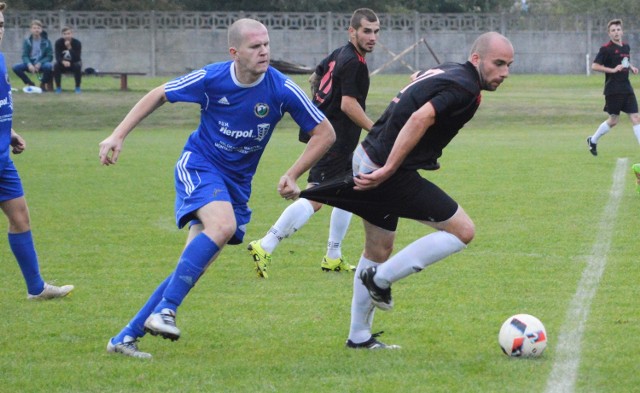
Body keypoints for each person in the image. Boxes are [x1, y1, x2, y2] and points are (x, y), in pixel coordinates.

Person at [101, 18, 335, 359]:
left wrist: (294, 173)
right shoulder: (212, 78)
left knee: (190, 268)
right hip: (199, 166)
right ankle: (165, 310)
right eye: (255, 46)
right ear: (234, 52)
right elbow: (159, 93)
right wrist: (118, 134)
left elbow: (325, 132)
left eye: (266, 45)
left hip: (236, 186)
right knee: (222, 227)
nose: (264, 51)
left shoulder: (280, 88)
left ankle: (125, 337)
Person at [301, 32, 514, 349]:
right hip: (384, 171)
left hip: (367, 157)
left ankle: (359, 337)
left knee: (377, 250)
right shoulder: (466, 86)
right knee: (462, 231)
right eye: (498, 64)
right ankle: (381, 280)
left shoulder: (451, 70)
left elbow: (419, 82)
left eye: (509, 65)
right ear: (477, 59)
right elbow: (421, 116)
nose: (504, 73)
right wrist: (389, 168)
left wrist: (424, 155)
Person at [248, 8, 379, 278]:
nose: (372, 37)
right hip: (335, 140)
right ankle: (266, 244)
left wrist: (319, 107)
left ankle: (333, 256)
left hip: (331, 136)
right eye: (366, 31)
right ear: (352, 31)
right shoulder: (354, 62)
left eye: (376, 32)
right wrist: (376, 130)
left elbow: (315, 77)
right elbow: (348, 104)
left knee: (350, 194)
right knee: (316, 197)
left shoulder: (339, 54)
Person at [0, 3, 74, 300]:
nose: (0, 29)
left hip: (3, 159)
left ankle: (36, 289)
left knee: (20, 220)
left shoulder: (1, 58)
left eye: (2, 23)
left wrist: (10, 132)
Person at [586, 19, 640, 157]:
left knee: (636, 117)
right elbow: (595, 66)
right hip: (613, 90)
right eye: (613, 30)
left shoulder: (626, 47)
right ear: (609, 33)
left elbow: (624, 62)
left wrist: (631, 67)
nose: (616, 32)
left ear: (622, 31)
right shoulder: (606, 49)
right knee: (614, 120)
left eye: (618, 29)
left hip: (626, 88)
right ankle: (593, 140)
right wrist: (613, 70)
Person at [12, 19, 53, 91]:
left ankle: (43, 83)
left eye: (38, 28)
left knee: (48, 66)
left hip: (41, 64)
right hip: (30, 63)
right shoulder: (27, 41)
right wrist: (29, 64)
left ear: (41, 30)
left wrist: (40, 63)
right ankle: (29, 83)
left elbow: (49, 56)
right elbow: (25, 55)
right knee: (16, 67)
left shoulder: (46, 41)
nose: (36, 30)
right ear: (31, 29)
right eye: (34, 28)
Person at [53, 26, 82, 94]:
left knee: (78, 65)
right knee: (56, 65)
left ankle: (77, 87)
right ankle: (58, 87)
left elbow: (77, 58)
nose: (67, 36)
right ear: (62, 35)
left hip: (73, 63)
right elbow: (57, 57)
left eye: (68, 33)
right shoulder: (58, 42)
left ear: (72, 34)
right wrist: (63, 61)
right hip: (62, 64)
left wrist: (69, 47)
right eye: (65, 34)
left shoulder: (77, 43)